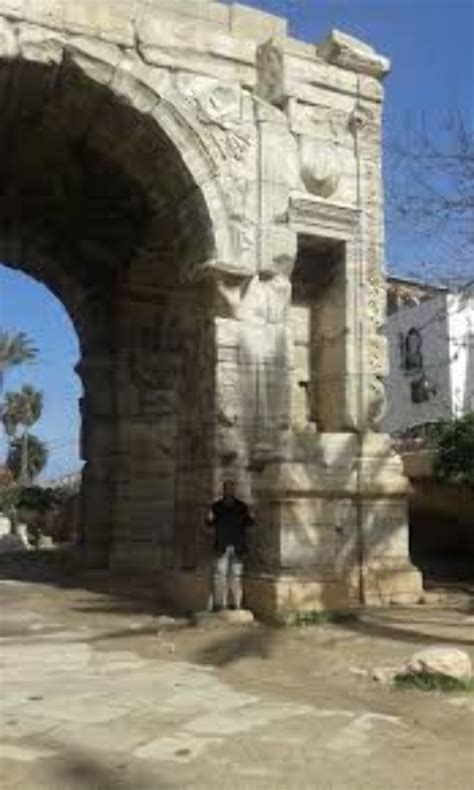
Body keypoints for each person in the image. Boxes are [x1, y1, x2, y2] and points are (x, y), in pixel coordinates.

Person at [205, 480, 255, 612]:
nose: (228, 491)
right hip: (221, 545)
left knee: (236, 575)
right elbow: (210, 524)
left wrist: (251, 516)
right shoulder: (216, 506)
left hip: (237, 545)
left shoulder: (242, 507)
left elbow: (249, 523)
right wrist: (208, 518)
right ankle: (218, 604)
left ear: (234, 491)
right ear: (223, 490)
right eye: (226, 489)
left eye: (231, 489)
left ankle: (236, 604)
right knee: (220, 575)